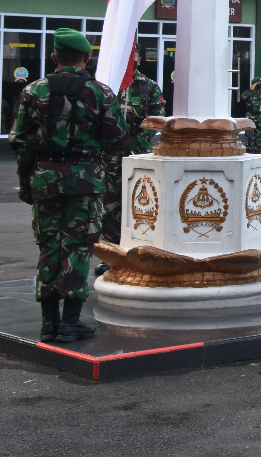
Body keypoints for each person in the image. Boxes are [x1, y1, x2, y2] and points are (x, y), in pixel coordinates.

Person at [9, 28, 126, 343]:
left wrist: (26, 183)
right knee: (78, 247)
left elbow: (21, 142)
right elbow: (117, 139)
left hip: (45, 178)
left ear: (54, 57)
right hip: (85, 180)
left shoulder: (34, 91)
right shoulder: (101, 93)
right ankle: (71, 322)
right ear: (87, 59)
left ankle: (49, 323)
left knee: (49, 245)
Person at [99, 43, 167, 257]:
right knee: (109, 208)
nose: (130, 60)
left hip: (139, 158)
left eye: (133, 56)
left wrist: (140, 139)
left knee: (139, 206)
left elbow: (159, 115)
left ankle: (137, 254)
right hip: (108, 158)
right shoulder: (106, 85)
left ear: (138, 59)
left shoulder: (148, 86)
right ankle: (112, 257)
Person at [240, 74, 261, 154]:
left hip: (260, 117)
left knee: (259, 135)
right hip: (251, 116)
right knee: (250, 135)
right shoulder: (249, 93)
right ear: (254, 84)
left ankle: (257, 150)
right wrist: (250, 90)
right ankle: (250, 150)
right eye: (257, 83)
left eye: (260, 82)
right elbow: (243, 97)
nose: (259, 84)